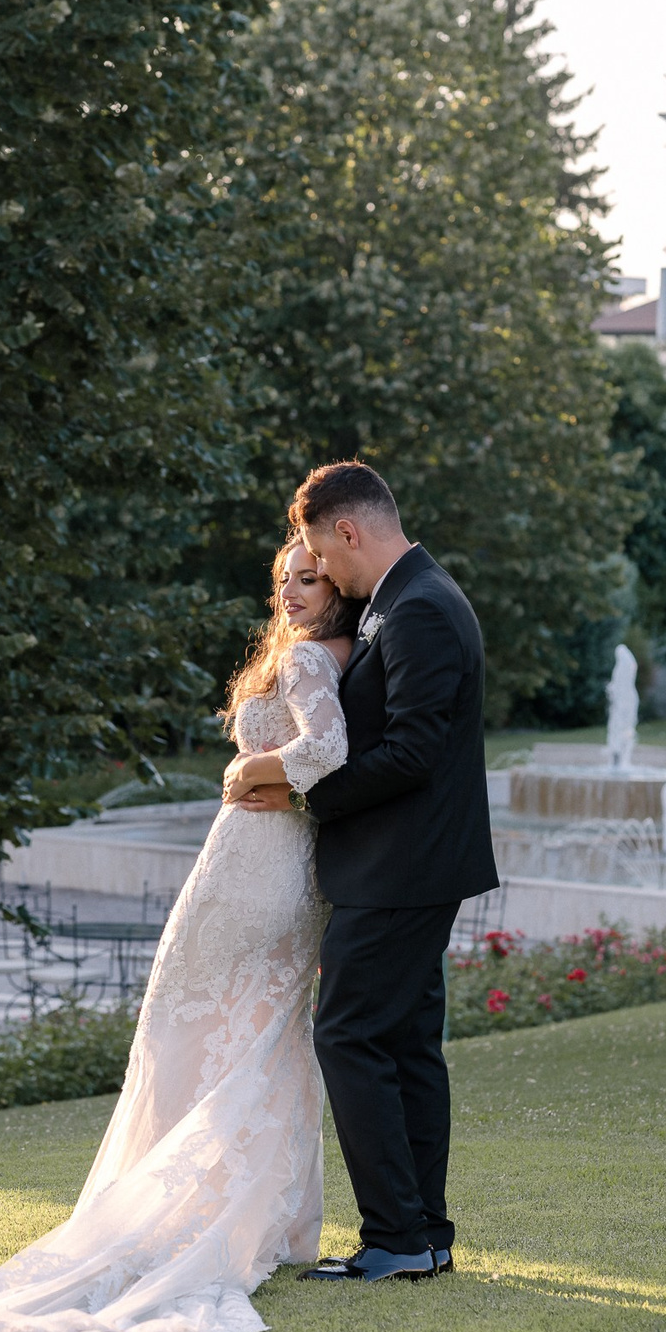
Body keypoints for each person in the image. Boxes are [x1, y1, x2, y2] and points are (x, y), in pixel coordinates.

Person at [0, 542, 357, 1332]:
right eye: (283, 582)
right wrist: (268, 774)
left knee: (191, 1030)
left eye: (309, 581)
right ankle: (271, 1222)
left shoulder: (309, 660)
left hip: (255, 872)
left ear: (336, 584)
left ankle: (203, 1213)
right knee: (261, 1037)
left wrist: (254, 769)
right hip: (269, 868)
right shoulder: (325, 653)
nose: (293, 595)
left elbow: (326, 752)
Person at [255, 461, 496, 1284]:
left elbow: (414, 751)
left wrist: (303, 793)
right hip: (414, 862)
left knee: (349, 1033)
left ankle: (395, 1236)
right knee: (403, 1043)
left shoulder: (419, 608)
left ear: (349, 532)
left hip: (401, 865)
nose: (327, 574)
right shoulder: (406, 598)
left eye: (325, 554)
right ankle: (423, 1234)